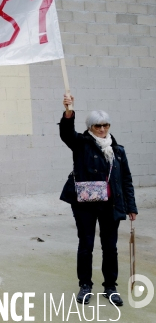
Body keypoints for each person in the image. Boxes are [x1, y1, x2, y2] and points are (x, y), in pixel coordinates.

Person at [60, 95, 137, 307]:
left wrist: (131, 206)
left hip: (110, 205)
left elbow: (126, 180)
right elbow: (66, 134)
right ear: (90, 127)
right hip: (86, 204)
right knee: (86, 245)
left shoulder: (118, 150)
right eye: (98, 126)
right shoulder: (81, 144)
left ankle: (110, 287)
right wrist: (68, 112)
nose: (102, 129)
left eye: (105, 125)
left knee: (110, 247)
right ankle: (85, 285)